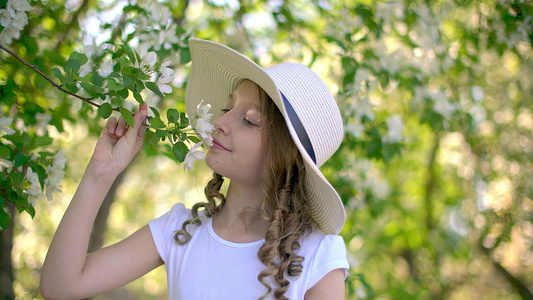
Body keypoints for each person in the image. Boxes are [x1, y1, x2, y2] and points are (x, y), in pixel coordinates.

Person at [40, 38, 349, 300]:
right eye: (228, 108)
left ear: (283, 154)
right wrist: (100, 173)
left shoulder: (318, 255)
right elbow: (60, 286)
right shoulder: (179, 233)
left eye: (249, 120)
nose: (219, 122)